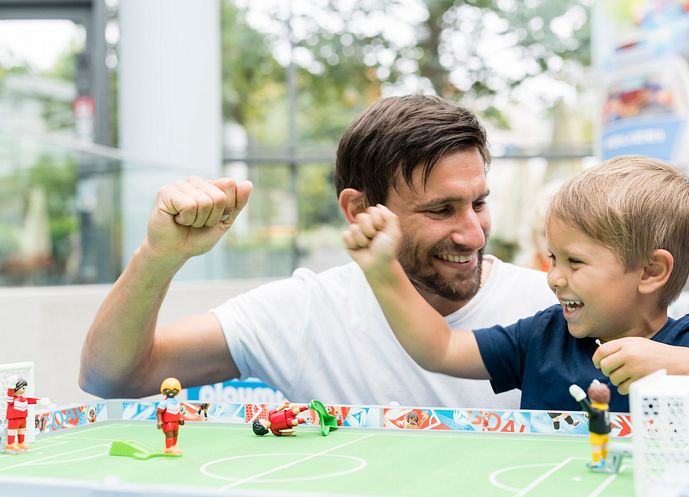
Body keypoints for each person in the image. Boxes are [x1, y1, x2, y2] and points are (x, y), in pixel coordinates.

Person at [78, 95, 557, 408]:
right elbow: (111, 377)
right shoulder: (306, 311)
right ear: (358, 209)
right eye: (441, 210)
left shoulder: (555, 303)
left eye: (479, 203)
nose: (473, 234)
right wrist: (158, 258)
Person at [344, 155, 689, 422]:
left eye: (576, 261)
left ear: (650, 271)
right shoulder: (542, 337)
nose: (553, 277)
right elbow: (441, 348)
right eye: (553, 258)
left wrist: (681, 367)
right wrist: (383, 270)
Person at [570, 380, 611, 471]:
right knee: (604, 447)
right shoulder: (605, 406)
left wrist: (580, 397)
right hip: (606, 433)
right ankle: (604, 460)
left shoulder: (596, 410)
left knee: (596, 447)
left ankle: (596, 462)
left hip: (597, 433)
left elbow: (588, 408)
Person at [4, 376, 49, 452]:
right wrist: (11, 386)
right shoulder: (12, 399)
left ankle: (21, 442)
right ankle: (10, 444)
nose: (24, 389)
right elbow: (9, 398)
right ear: (16, 387)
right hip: (14, 418)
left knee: (22, 430)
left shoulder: (24, 398)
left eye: (25, 387)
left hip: (23, 418)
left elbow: (30, 400)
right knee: (12, 430)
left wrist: (40, 400)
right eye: (22, 387)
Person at [156, 377, 185, 454]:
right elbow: (159, 412)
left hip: (175, 422)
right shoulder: (164, 403)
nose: (171, 392)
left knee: (176, 434)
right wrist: (159, 421)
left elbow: (177, 412)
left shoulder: (176, 402)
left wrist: (180, 419)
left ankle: (174, 446)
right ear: (164, 391)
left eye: (174, 390)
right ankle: (168, 448)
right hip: (168, 423)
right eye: (168, 390)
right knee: (170, 435)